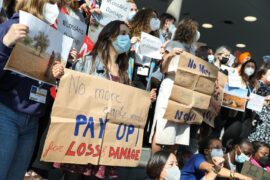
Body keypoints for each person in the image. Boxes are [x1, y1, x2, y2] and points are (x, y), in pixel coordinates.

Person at [54, 20, 133, 179]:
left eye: (129, 35)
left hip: (105, 142)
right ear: (110, 36)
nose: (127, 39)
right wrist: (60, 77)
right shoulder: (86, 63)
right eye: (123, 34)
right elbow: (67, 94)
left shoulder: (124, 73)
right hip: (83, 137)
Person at [0, 0, 65, 179]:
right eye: (52, 1)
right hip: (6, 116)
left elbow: (41, 78)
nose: (57, 4)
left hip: (32, 121)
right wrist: (5, 44)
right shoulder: (11, 27)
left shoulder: (53, 37)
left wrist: (53, 74)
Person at [150, 18, 200, 155]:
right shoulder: (173, 44)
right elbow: (163, 69)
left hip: (185, 91)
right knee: (162, 129)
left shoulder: (193, 50)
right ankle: (154, 168)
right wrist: (170, 55)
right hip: (171, 86)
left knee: (178, 133)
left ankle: (169, 165)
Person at [128, 8, 159, 146]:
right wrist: (131, 43)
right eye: (152, 17)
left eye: (156, 18)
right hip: (131, 74)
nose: (155, 20)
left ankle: (134, 145)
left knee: (141, 113)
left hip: (146, 78)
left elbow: (157, 67)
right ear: (143, 18)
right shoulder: (130, 34)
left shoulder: (157, 41)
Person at [180, 136, 252, 180]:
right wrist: (239, 176)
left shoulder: (217, 167)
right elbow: (210, 168)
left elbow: (218, 171)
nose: (220, 151)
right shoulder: (198, 158)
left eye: (222, 148)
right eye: (217, 148)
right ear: (206, 151)